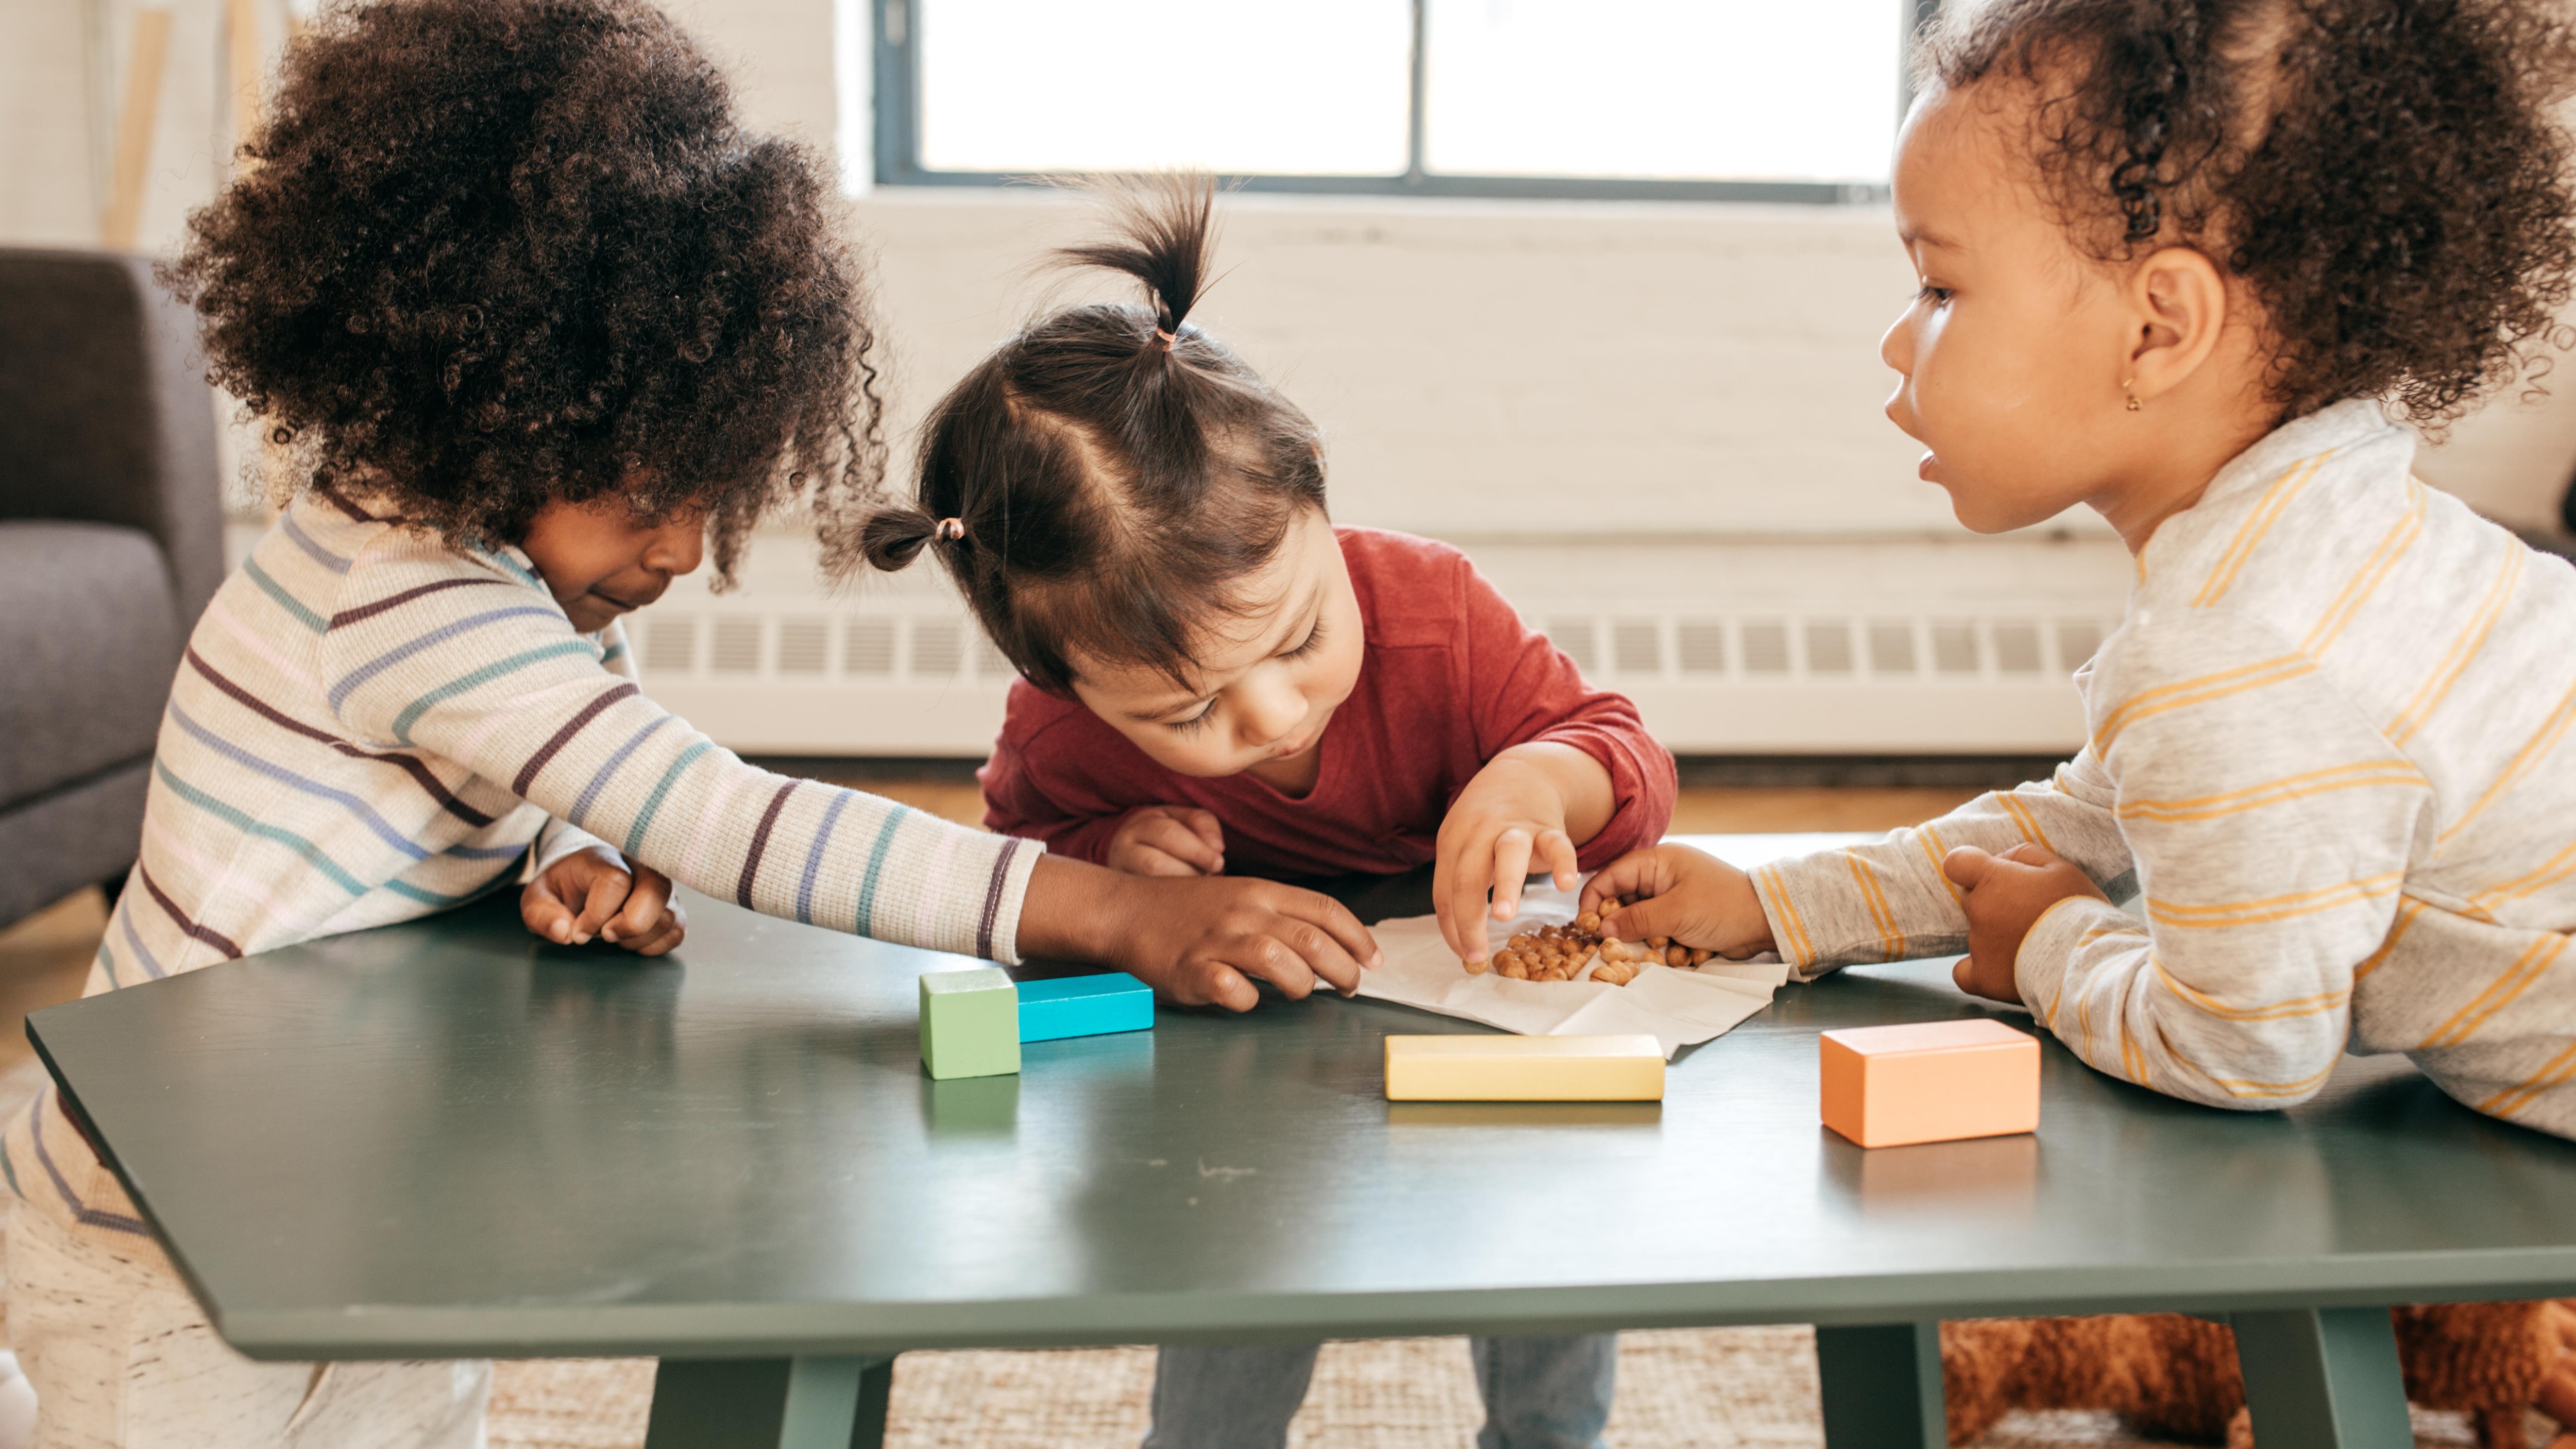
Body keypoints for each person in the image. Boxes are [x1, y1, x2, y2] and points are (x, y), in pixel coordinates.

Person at [2, 6, 1379, 1445]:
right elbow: (725, 814)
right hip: (161, 1222)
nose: (678, 551)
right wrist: (1106, 915)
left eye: (708, 492)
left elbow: (584, 759)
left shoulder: (476, 574)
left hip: (344, 1185)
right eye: (645, 497)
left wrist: (583, 834)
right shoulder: (399, 599)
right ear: (498, 425)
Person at [1589, 0, 2576, 1139]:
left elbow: (2240, 1050)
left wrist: (2049, 945)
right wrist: (1779, 906)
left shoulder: (2240, 655)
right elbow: (2085, 820)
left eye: (1942, 290)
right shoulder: (2326, 536)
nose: (1897, 341)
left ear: (2158, 329)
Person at [856, 177, 1674, 1449]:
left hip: (1482, 990)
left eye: (1298, 638)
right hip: (1249, 1041)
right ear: (1058, 684)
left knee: (1547, 1217)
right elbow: (1011, 872)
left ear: (1322, 514)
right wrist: (1109, 861)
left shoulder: (1436, 612)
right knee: (1235, 1252)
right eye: (1185, 715)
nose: (1272, 716)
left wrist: (1530, 780)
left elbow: (1625, 756)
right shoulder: (1061, 730)